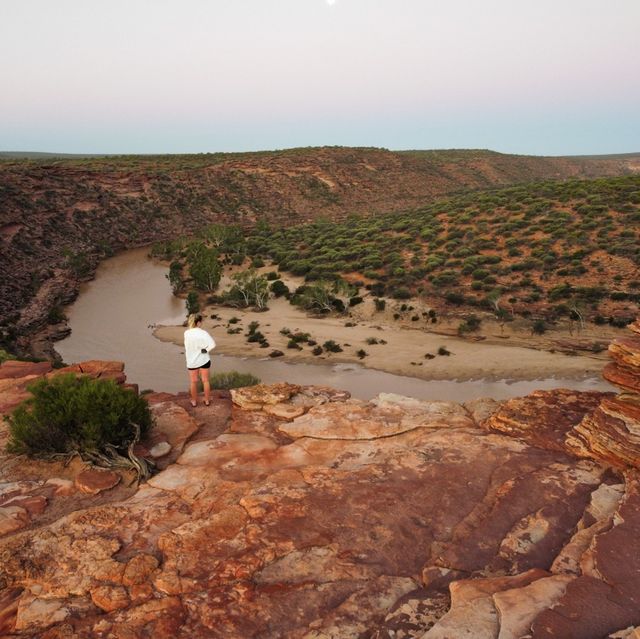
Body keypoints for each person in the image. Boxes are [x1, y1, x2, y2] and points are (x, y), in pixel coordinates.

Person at [184, 313, 216, 407]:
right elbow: (213, 344)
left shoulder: (186, 333)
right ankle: (207, 400)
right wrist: (205, 350)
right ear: (198, 323)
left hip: (192, 362)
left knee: (193, 381)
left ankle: (193, 401)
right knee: (205, 381)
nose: (202, 323)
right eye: (201, 322)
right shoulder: (203, 333)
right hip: (204, 360)